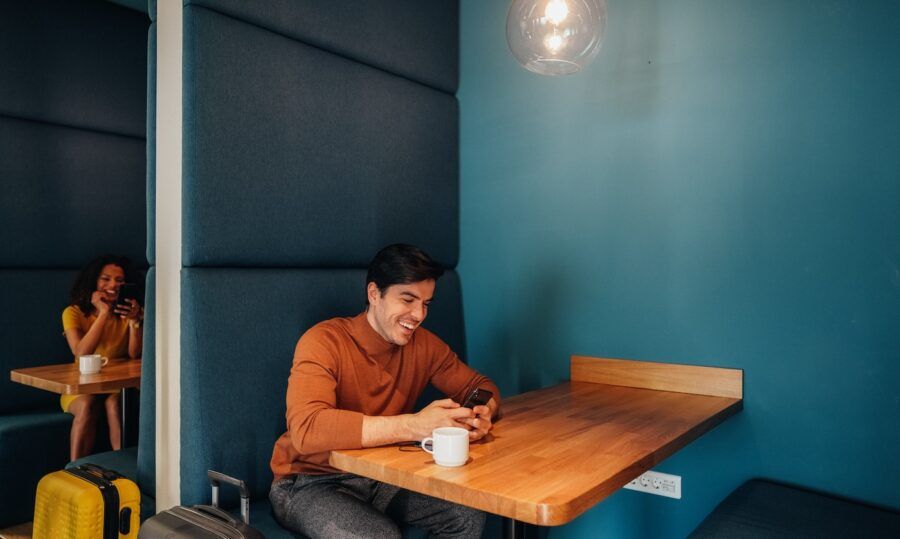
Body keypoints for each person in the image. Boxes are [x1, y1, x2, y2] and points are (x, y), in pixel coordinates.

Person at [270, 244, 501, 539]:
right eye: (408, 299)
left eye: (426, 303)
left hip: (381, 476)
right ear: (374, 294)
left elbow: (482, 387)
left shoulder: (424, 346)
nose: (419, 314)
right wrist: (413, 425)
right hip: (310, 481)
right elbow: (307, 429)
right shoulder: (323, 341)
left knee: (466, 514)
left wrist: (482, 412)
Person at [62, 255, 143, 461]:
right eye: (105, 279)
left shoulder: (128, 312)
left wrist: (135, 322)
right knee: (87, 405)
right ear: (93, 281)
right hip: (83, 386)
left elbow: (134, 354)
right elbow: (81, 352)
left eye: (119, 280)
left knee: (116, 405)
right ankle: (76, 470)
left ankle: (123, 468)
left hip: (118, 386)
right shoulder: (72, 313)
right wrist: (104, 313)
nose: (113, 285)